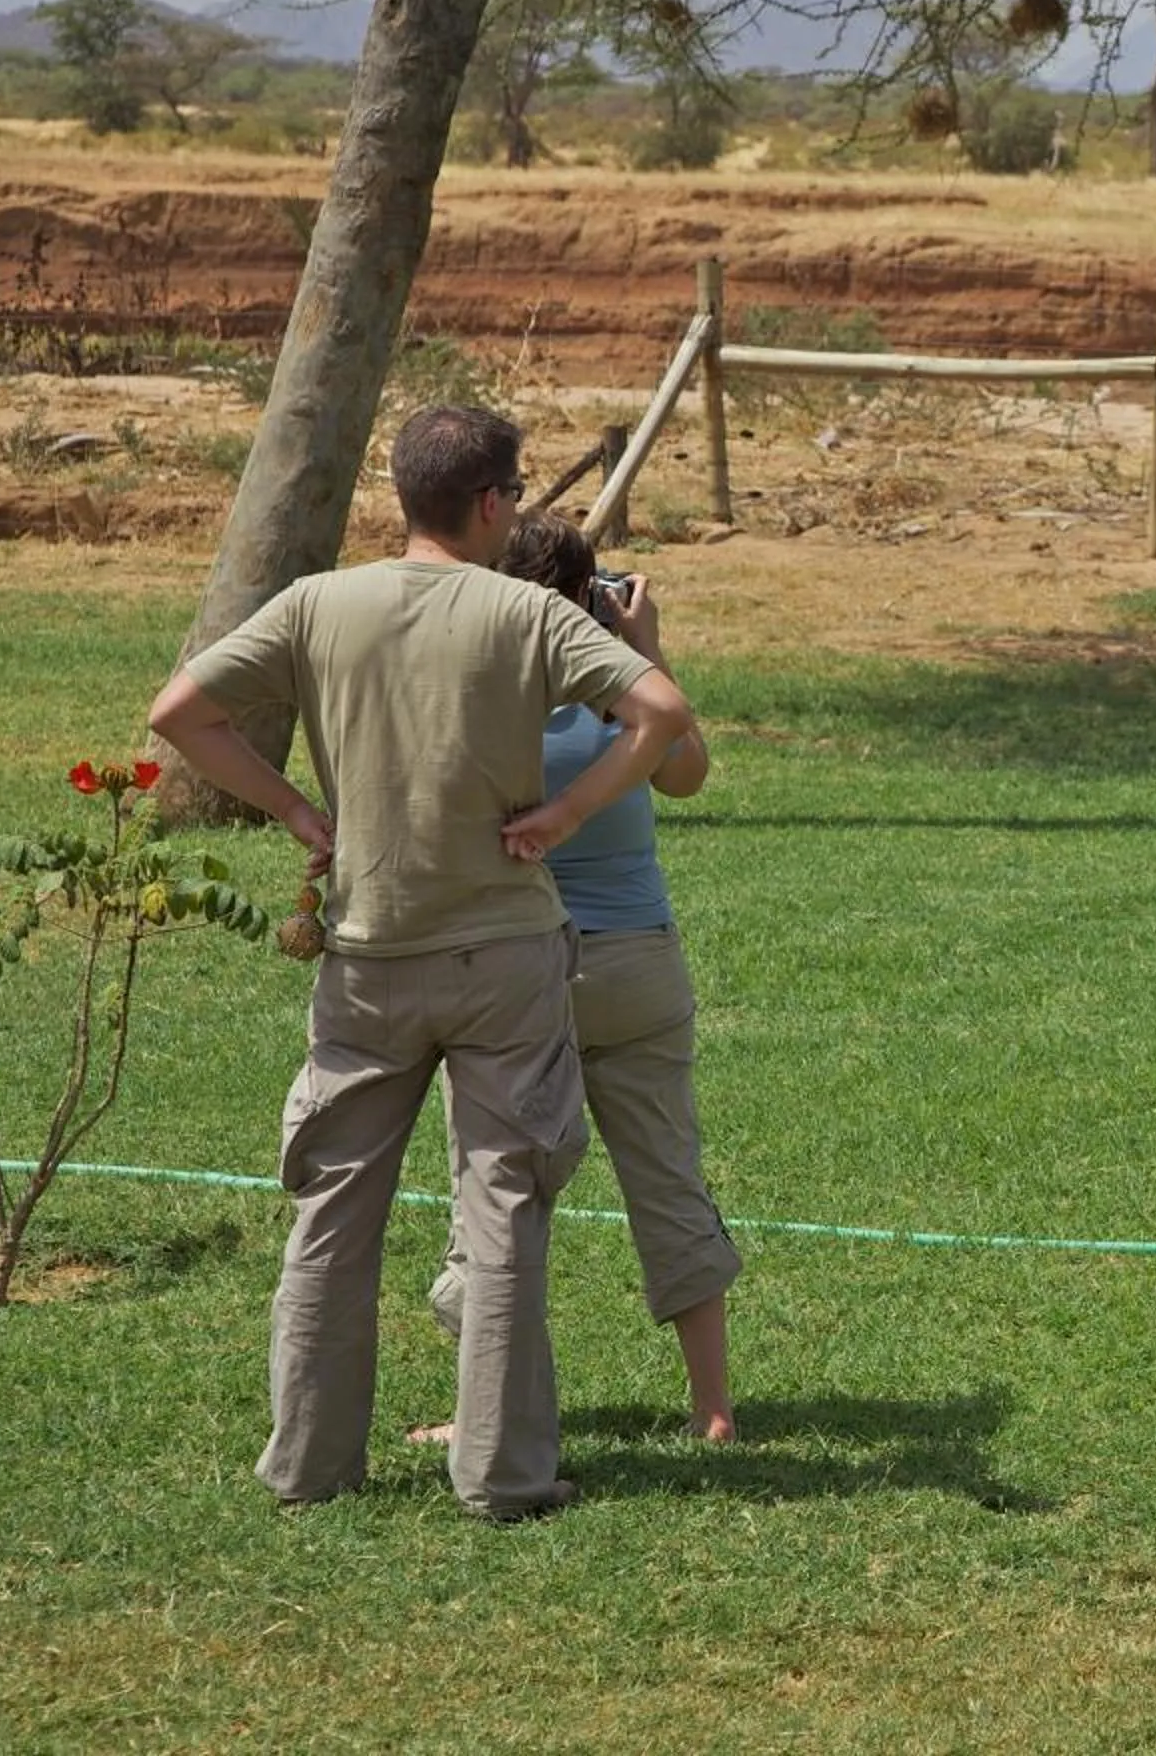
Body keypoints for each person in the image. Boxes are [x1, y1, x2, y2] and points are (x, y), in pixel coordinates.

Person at [149, 404, 692, 1522]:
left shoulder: (316, 603)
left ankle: (307, 1463)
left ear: (406, 496)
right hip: (504, 956)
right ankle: (502, 1474)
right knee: (503, 1207)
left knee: (333, 1210)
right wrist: (565, 809)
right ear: (493, 503)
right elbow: (660, 710)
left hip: (364, 956)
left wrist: (297, 806)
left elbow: (180, 711)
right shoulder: (522, 612)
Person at [411, 512, 739, 1443]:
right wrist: (647, 650)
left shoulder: (482, 697)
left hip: (517, 969)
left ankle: (485, 1410)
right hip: (639, 963)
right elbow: (686, 775)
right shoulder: (625, 699)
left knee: (494, 1185)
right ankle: (713, 1409)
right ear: (588, 595)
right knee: (669, 1174)